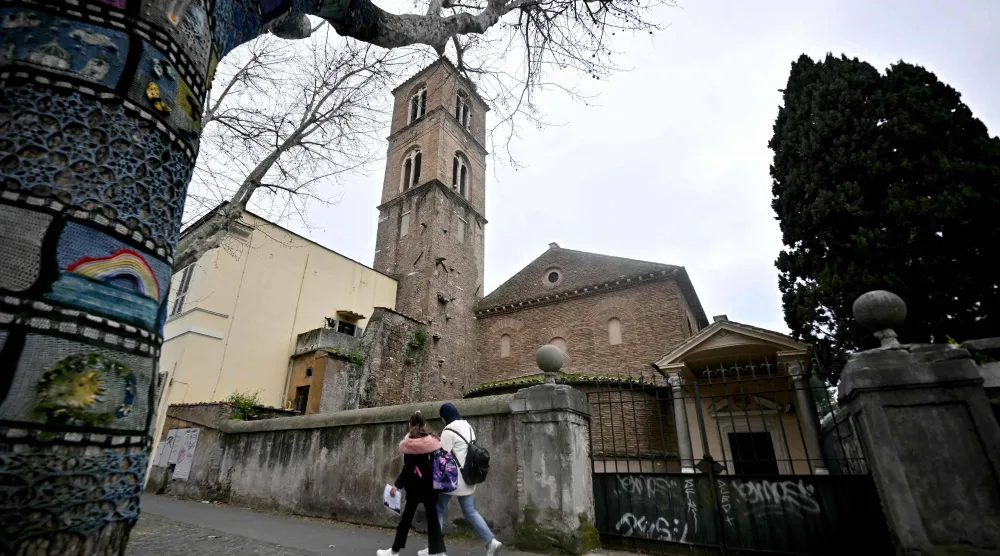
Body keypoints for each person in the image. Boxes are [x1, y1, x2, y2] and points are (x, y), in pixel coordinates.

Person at [419, 402, 502, 556]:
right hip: (469, 478)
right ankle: (491, 542)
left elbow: (442, 455)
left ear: (444, 417)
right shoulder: (468, 426)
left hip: (451, 481)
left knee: (438, 509)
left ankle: (436, 550)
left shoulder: (448, 431)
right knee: (470, 511)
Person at [378, 411, 447, 556]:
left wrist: (397, 485)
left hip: (415, 487)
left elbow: (408, 468)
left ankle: (394, 551)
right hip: (431, 487)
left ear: (410, 425)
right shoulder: (433, 441)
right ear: (424, 425)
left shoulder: (410, 444)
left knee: (406, 520)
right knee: (433, 520)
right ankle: (438, 552)